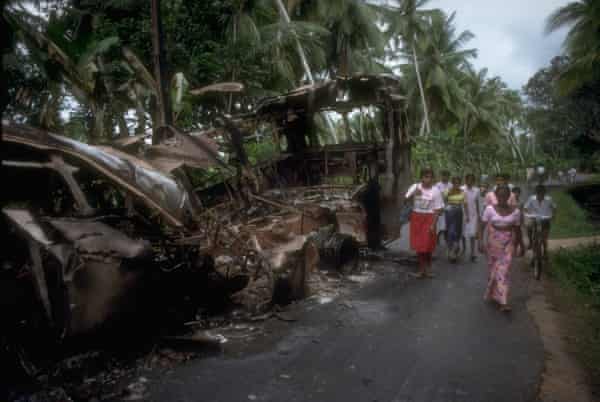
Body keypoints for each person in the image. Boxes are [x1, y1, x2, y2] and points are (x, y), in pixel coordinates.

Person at [478, 185, 525, 312]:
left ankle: (504, 302)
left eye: (505, 195)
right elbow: (482, 226)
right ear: (496, 196)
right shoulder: (489, 209)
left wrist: (521, 245)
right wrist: (480, 241)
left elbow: (517, 229)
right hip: (493, 243)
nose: (502, 197)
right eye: (500, 195)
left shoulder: (516, 212)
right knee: (494, 270)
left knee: (503, 271)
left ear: (509, 196)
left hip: (509, 243)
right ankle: (494, 294)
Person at [405, 168, 444, 278]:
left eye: (430, 177)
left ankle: (428, 268)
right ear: (421, 177)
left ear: (433, 178)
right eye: (426, 176)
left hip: (429, 218)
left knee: (428, 245)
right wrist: (413, 194)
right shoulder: (415, 187)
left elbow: (438, 209)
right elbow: (405, 201)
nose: (428, 179)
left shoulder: (436, 190)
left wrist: (433, 224)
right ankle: (421, 269)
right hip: (417, 217)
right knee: (419, 245)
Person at [524, 185, 556, 257]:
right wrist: (528, 214)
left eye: (542, 193)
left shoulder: (549, 199)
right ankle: (531, 242)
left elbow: (554, 207)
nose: (540, 195)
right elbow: (525, 207)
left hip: (545, 220)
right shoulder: (531, 198)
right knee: (529, 228)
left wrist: (553, 216)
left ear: (545, 193)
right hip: (535, 219)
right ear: (536, 192)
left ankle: (545, 251)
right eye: (539, 193)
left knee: (544, 238)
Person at [445, 177, 468, 262]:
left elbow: (465, 204)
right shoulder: (448, 191)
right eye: (455, 183)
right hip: (449, 212)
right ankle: (450, 251)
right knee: (450, 231)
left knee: (457, 231)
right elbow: (443, 200)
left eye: (458, 183)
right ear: (452, 183)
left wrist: (467, 215)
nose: (456, 185)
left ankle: (455, 251)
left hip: (459, 212)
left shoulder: (462, 192)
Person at [461, 174, 480, 262]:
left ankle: (472, 253)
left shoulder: (476, 190)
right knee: (463, 234)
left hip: (473, 215)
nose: (469, 182)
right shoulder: (462, 189)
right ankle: (464, 249)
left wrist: (479, 214)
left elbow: (476, 202)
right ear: (465, 180)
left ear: (473, 181)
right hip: (463, 214)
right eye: (468, 180)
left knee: (472, 234)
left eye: (471, 180)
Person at [435, 170, 452, 242]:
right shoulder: (438, 185)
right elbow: (435, 195)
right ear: (441, 176)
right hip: (439, 207)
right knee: (439, 225)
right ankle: (437, 240)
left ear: (448, 177)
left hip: (448, 207)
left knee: (447, 224)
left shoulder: (451, 185)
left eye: (447, 176)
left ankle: (446, 239)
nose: (445, 177)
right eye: (443, 175)